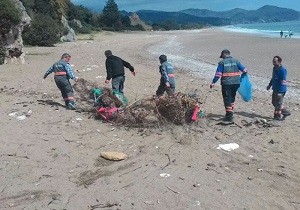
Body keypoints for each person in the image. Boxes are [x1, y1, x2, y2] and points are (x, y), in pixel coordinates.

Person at [210, 49, 247, 122]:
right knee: (232, 97)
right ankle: (230, 112)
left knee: (227, 98)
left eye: (222, 56)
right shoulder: (236, 61)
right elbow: (245, 70)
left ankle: (229, 116)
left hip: (226, 83)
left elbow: (218, 74)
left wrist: (213, 82)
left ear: (224, 54)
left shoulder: (222, 62)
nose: (222, 58)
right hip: (236, 83)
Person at [267, 56, 291, 120]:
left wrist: (280, 92)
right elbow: (273, 78)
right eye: (273, 61)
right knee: (274, 102)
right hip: (275, 89)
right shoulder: (274, 68)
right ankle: (286, 112)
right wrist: (269, 85)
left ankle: (277, 117)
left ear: (279, 62)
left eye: (275, 62)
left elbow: (283, 81)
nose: (273, 63)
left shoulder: (283, 70)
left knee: (278, 104)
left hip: (280, 90)